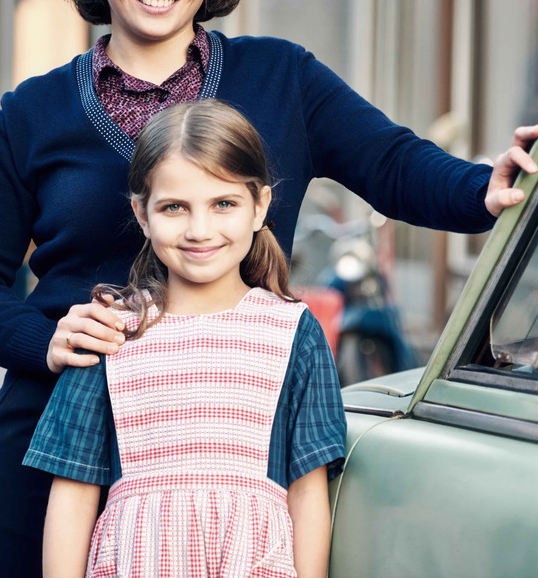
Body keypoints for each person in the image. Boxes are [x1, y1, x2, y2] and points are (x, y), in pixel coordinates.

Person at [0, 0, 538, 578]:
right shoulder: (33, 112)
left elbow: (393, 164)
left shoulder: (283, 78)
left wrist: (483, 186)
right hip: (51, 472)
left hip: (233, 477)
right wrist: (47, 338)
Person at [24, 100, 343, 578]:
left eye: (224, 204)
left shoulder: (293, 331)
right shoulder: (112, 331)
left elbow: (309, 490)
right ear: (143, 214)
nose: (199, 230)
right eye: (175, 207)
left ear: (259, 207)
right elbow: (72, 493)